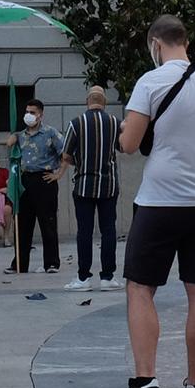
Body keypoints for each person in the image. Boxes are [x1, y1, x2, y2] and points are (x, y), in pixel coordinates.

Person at [106, 16, 195, 388]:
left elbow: (129, 143)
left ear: (155, 44)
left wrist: (125, 127)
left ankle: (145, 381)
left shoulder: (151, 81)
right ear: (185, 41)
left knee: (140, 287)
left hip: (161, 201)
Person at [61, 86, 121, 292]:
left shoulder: (76, 123)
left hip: (84, 186)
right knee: (108, 230)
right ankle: (107, 277)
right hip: (109, 185)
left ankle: (83, 278)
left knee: (84, 232)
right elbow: (123, 147)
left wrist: (79, 162)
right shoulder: (115, 123)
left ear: (88, 101)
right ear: (104, 102)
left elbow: (66, 155)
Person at [11, 99, 62, 274]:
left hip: (44, 180)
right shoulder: (20, 135)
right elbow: (11, 152)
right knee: (23, 224)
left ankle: (52, 263)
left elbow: (66, 154)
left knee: (48, 222)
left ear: (40, 114)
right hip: (25, 181)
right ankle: (19, 263)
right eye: (27, 111)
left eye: (32, 112)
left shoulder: (50, 133)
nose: (29, 115)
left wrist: (58, 174)